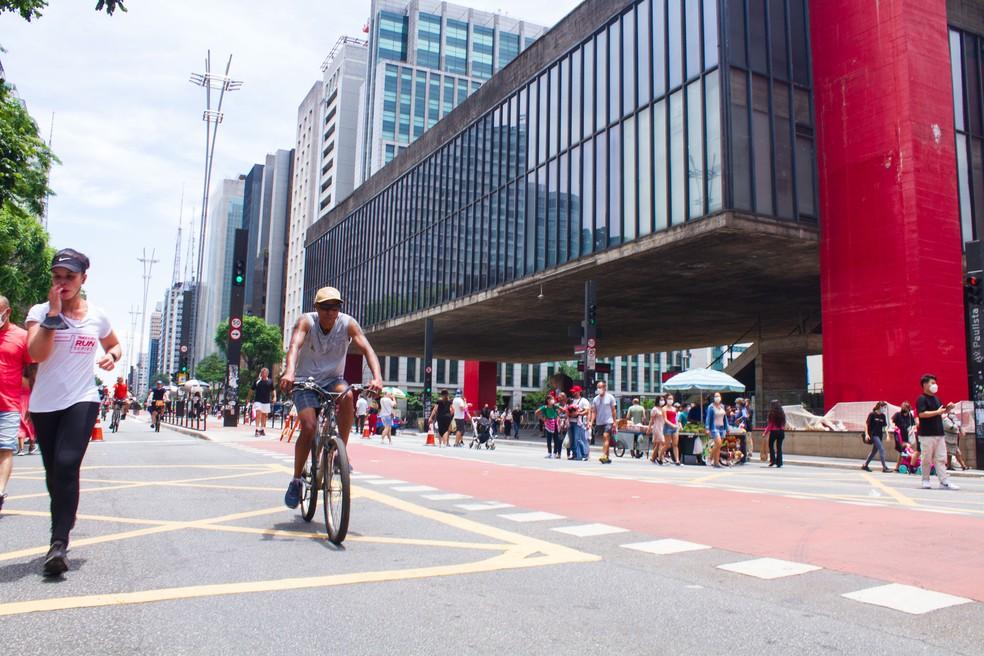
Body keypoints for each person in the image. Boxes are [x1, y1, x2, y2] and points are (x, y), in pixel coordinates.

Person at [26, 249, 122, 576]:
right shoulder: (39, 312)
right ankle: (65, 514)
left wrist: (113, 356)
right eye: (57, 277)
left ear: (83, 279)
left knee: (67, 465)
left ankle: (58, 543)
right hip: (44, 404)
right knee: (54, 474)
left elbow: (114, 344)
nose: (62, 282)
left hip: (82, 399)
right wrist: (54, 314)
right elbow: (37, 354)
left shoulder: (97, 315)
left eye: (69, 277)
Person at [280, 286, 382, 508]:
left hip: (333, 380)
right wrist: (289, 371)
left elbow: (368, 349)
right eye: (325, 307)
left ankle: (339, 454)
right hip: (305, 381)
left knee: (347, 396)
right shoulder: (307, 321)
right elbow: (294, 346)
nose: (330, 312)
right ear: (316, 307)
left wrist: (377, 377)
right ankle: (296, 479)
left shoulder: (347, 323)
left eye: (335, 307)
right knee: (308, 427)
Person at [1, 294, 35, 512]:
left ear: (7, 312)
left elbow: (32, 371)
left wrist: (35, 401)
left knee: (4, 448)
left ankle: (0, 492)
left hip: (8, 405)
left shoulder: (22, 337)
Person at [915, 374, 959, 490]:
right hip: (926, 434)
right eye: (932, 383)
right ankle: (925, 479)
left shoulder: (937, 399)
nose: (935, 385)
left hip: (939, 433)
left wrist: (947, 409)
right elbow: (922, 414)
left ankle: (944, 481)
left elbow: (941, 412)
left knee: (941, 458)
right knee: (927, 458)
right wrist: (937, 412)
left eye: (935, 383)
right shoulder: (921, 399)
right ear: (925, 384)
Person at [590, 380, 617, 464]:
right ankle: (607, 458)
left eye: (600, 387)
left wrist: (615, 422)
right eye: (598, 387)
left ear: (605, 388)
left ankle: (604, 455)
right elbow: (594, 412)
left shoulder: (610, 397)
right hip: (599, 422)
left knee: (606, 436)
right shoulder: (595, 399)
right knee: (606, 439)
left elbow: (613, 410)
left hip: (608, 421)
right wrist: (591, 422)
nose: (599, 389)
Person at [862, 401, 891, 472]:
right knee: (881, 449)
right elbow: (866, 424)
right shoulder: (872, 414)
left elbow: (885, 427)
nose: (884, 409)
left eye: (885, 408)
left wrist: (887, 435)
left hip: (879, 435)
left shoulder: (883, 416)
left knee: (874, 451)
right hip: (873, 435)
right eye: (884, 407)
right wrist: (867, 434)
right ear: (880, 407)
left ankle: (865, 465)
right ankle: (884, 467)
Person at [704, 394, 730, 467]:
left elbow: (725, 418)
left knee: (719, 445)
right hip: (714, 427)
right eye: (716, 396)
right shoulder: (711, 407)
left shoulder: (722, 406)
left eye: (718, 396)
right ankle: (710, 457)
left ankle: (716, 462)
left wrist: (727, 428)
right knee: (718, 443)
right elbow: (708, 418)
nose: (717, 398)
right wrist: (707, 428)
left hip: (721, 427)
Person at [891, 401, 917, 472]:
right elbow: (892, 421)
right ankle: (900, 466)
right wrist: (894, 427)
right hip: (899, 436)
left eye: (905, 408)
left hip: (907, 435)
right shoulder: (898, 414)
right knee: (904, 449)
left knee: (904, 452)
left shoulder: (909, 415)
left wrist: (912, 429)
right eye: (902, 407)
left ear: (908, 408)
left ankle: (900, 466)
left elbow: (913, 424)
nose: (903, 409)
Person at [250, 368, 275, 437]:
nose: (264, 374)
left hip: (266, 401)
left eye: (265, 373)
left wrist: (274, 397)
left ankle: (262, 429)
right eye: (263, 373)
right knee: (258, 413)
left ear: (267, 373)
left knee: (264, 415)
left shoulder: (270, 381)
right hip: (258, 400)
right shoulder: (257, 381)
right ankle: (257, 429)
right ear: (261, 373)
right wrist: (248, 398)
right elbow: (252, 389)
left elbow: (273, 390)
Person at [568, 386, 591, 460]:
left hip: (579, 423)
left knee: (579, 439)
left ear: (579, 392)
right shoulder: (571, 400)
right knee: (572, 439)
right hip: (570, 421)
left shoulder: (584, 400)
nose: (573, 393)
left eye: (574, 391)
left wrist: (578, 414)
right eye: (572, 391)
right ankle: (575, 454)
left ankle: (584, 455)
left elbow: (587, 411)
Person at [763, 400, 786, 468]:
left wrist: (765, 433)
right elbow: (784, 423)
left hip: (774, 432)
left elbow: (770, 425)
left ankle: (773, 461)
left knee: (771, 446)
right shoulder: (782, 413)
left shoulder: (772, 413)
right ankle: (779, 462)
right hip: (781, 432)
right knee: (779, 447)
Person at [663, 394, 681, 465]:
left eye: (671, 399)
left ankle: (677, 460)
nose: (670, 400)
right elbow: (665, 419)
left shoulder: (674, 408)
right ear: (666, 399)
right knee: (667, 445)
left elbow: (675, 418)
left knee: (675, 444)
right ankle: (660, 456)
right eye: (669, 399)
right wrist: (672, 425)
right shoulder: (664, 408)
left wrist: (677, 425)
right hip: (667, 428)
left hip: (675, 428)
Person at [649, 395, 666, 464]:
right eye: (661, 400)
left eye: (663, 400)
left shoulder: (664, 409)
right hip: (657, 427)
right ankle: (661, 458)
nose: (662, 401)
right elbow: (651, 420)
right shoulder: (654, 409)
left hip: (664, 427)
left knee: (658, 444)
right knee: (662, 442)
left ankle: (653, 458)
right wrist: (649, 428)